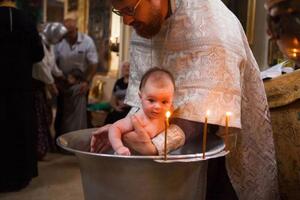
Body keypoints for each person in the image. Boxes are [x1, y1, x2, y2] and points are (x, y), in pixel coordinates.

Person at [91, 0, 279, 199]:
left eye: (130, 9)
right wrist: (122, 128)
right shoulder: (144, 26)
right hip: (167, 157)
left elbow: (207, 110)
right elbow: (146, 99)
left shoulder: (214, 26)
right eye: (120, 13)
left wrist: (157, 145)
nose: (127, 20)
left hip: (220, 152)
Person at [0, 0, 44, 192]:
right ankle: (20, 176)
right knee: (20, 129)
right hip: (20, 87)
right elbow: (38, 54)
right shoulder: (26, 19)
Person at [109, 67, 184, 155]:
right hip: (129, 159)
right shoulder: (138, 118)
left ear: (171, 102)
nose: (157, 107)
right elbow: (114, 128)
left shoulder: (165, 116)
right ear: (141, 97)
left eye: (164, 102)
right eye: (151, 100)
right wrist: (119, 147)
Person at [54, 17, 98, 139]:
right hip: (63, 81)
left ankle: (81, 140)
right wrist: (58, 80)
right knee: (61, 112)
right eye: (65, 32)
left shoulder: (87, 41)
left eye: (70, 32)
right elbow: (54, 62)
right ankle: (60, 140)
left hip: (81, 81)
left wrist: (87, 82)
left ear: (76, 30)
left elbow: (93, 64)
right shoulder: (59, 43)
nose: (68, 35)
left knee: (82, 114)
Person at [32, 22, 67, 160]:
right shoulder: (39, 42)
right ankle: (38, 151)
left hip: (43, 85)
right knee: (39, 119)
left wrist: (61, 75)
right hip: (35, 86)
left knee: (46, 117)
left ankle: (43, 149)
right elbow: (40, 66)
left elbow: (53, 67)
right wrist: (51, 83)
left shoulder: (50, 46)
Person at [61, 68, 88, 133]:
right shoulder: (83, 87)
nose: (68, 79)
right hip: (77, 112)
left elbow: (67, 93)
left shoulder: (74, 89)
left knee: (71, 127)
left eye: (71, 78)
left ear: (77, 79)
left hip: (74, 113)